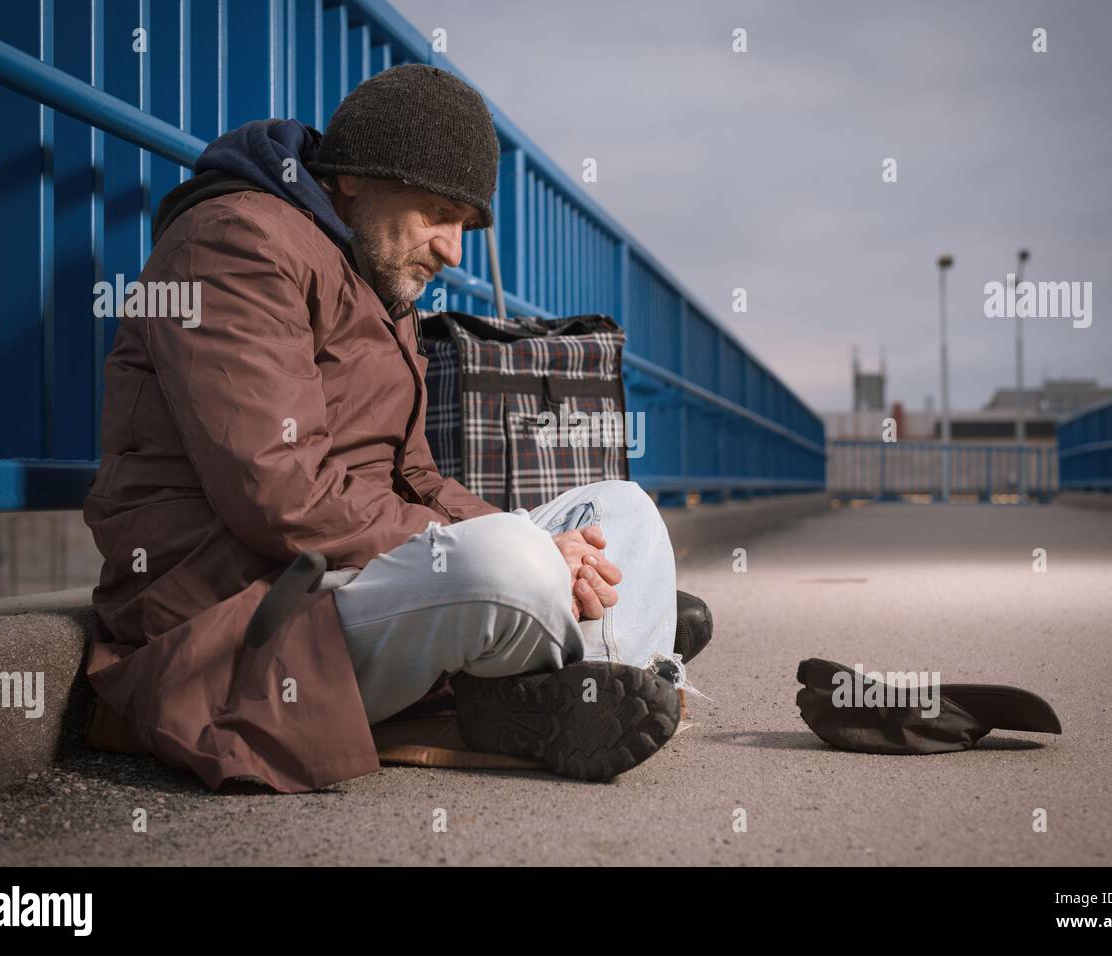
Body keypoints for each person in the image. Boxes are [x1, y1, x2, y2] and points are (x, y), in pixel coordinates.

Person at [84, 64, 712, 792]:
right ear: (355, 177)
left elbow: (416, 480)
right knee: (508, 563)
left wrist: (547, 540)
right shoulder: (231, 247)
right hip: (244, 616)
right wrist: (523, 548)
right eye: (439, 214)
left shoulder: (375, 277)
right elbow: (281, 494)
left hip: (351, 571)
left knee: (621, 511)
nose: (453, 250)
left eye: (466, 226)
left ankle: (570, 675)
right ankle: (604, 651)